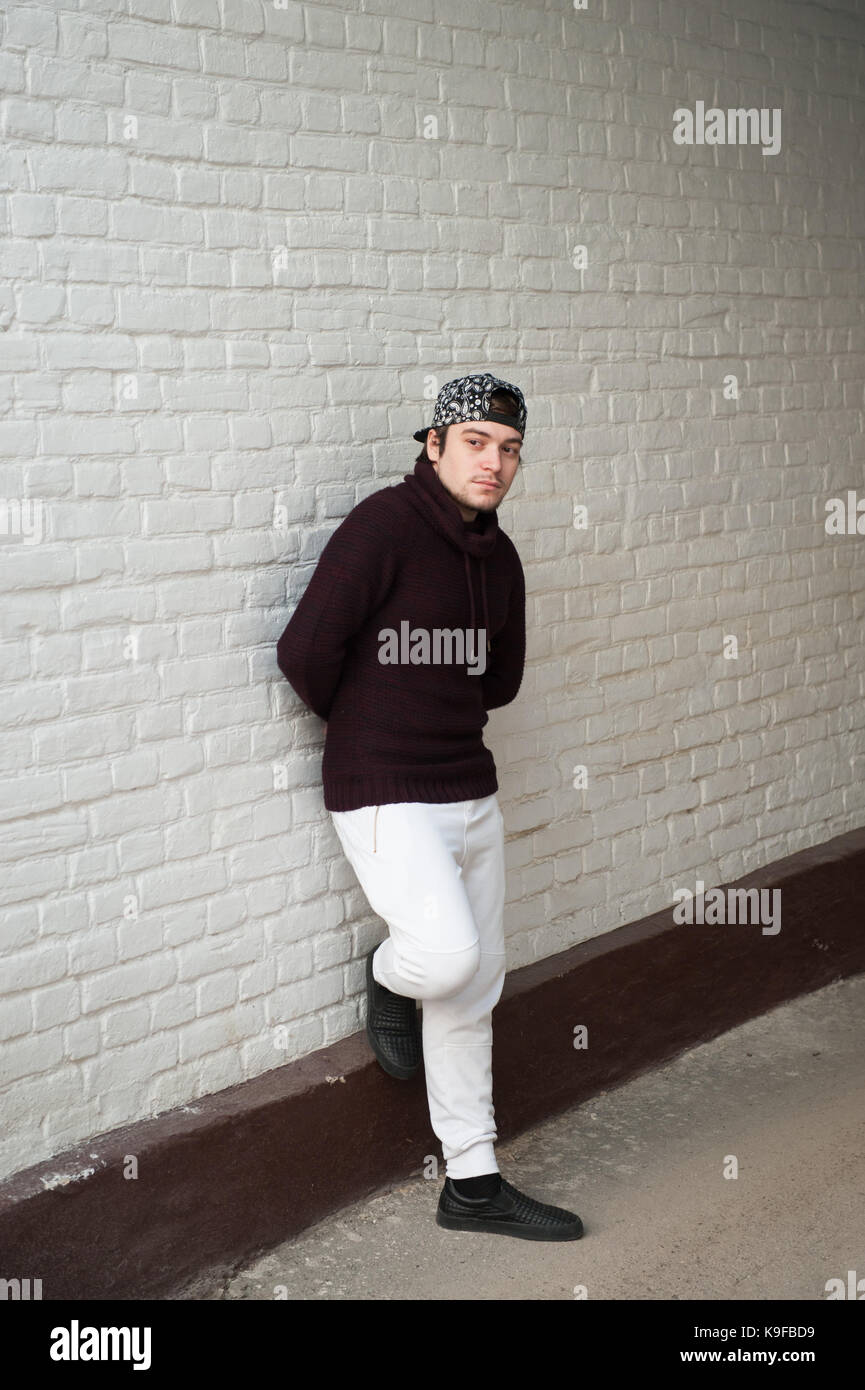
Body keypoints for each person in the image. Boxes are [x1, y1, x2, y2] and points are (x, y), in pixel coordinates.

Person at [276, 373, 583, 1240]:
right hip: (385, 789)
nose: (495, 462)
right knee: (444, 959)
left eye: (510, 448)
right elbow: (305, 653)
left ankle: (473, 1185)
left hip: (469, 785)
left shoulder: (502, 556)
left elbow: (502, 678)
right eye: (477, 442)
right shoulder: (382, 526)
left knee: (474, 986)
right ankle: (389, 973)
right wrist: (375, 721)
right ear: (434, 445)